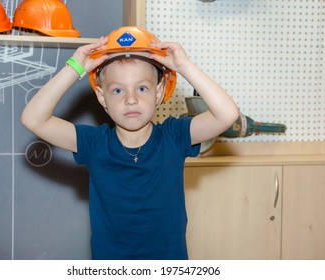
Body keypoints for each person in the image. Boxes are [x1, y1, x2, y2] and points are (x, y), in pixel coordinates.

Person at [21, 26, 239, 260]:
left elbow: (226, 115)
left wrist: (184, 66)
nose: (131, 99)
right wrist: (76, 68)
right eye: (117, 90)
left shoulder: (175, 136)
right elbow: (33, 118)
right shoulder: (93, 144)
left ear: (159, 93)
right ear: (102, 97)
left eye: (142, 88)